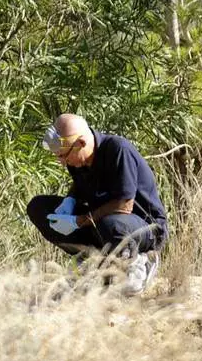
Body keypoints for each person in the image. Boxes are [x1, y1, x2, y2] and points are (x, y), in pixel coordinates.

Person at [26, 113, 169, 296]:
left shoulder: (118, 149)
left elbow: (124, 204)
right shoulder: (77, 159)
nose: (62, 162)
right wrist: (70, 201)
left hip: (143, 227)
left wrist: (79, 221)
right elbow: (80, 186)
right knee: (39, 208)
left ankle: (140, 261)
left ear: (81, 143)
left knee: (110, 224)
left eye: (64, 156)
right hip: (101, 222)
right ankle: (91, 257)